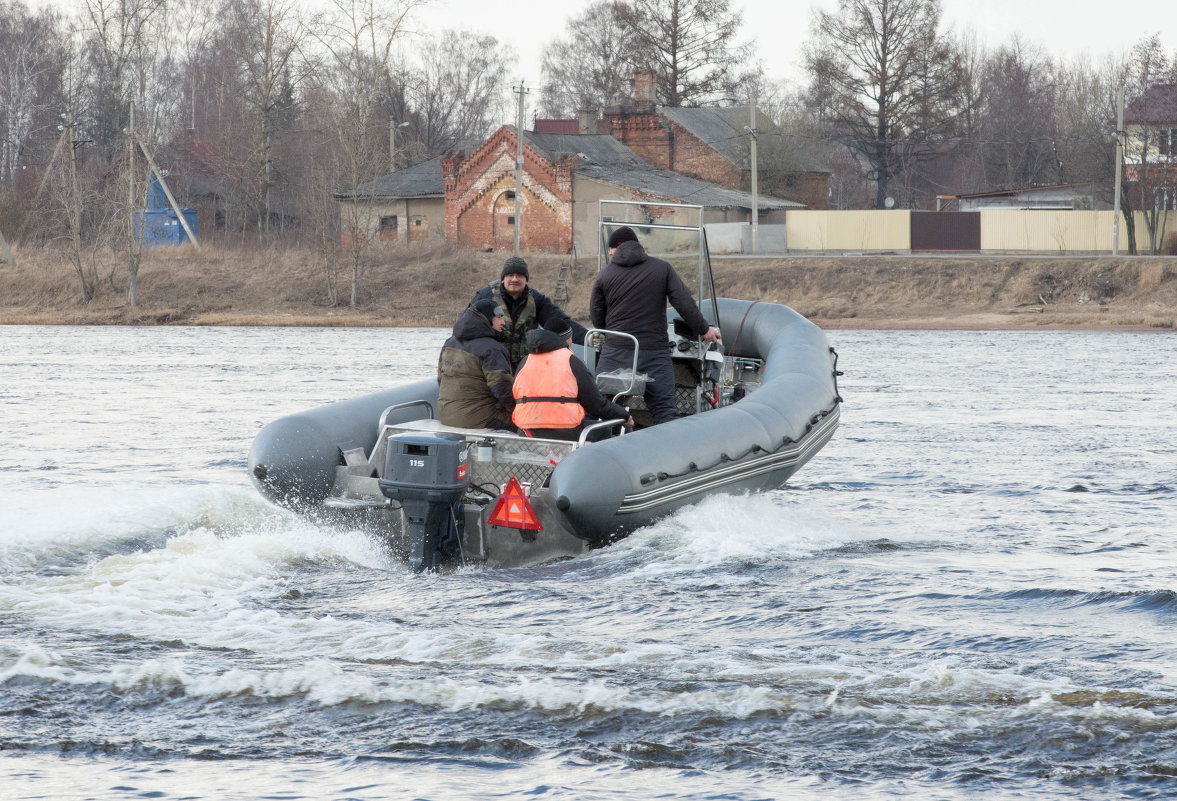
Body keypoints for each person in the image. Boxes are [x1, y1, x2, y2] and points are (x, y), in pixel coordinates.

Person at [589, 226, 721, 425]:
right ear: (639, 245)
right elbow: (684, 304)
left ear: (618, 247)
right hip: (654, 353)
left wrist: (613, 338)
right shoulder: (662, 268)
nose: (609, 253)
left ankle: (601, 451)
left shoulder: (604, 274)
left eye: (610, 249)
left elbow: (597, 318)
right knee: (665, 412)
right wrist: (704, 330)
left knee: (602, 410)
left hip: (616, 352)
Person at [512, 319, 633, 442]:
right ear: (567, 339)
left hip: (527, 431)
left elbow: (515, 395)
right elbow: (597, 405)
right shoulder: (571, 360)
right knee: (602, 431)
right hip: (565, 430)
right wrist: (624, 414)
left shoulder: (525, 361)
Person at [470, 256, 586, 370]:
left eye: (519, 275)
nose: (514, 279)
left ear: (526, 279)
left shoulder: (536, 299)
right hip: (491, 367)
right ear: (503, 279)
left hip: (525, 369)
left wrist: (589, 338)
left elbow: (561, 322)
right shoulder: (486, 296)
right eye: (510, 275)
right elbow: (465, 325)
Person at [436, 298, 516, 431]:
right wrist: (517, 410)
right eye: (499, 318)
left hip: (446, 416)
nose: (503, 322)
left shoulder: (449, 343)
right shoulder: (492, 348)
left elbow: (440, 379)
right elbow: (502, 388)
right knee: (527, 423)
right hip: (479, 419)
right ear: (486, 318)